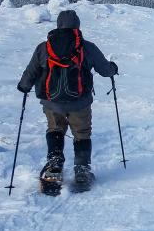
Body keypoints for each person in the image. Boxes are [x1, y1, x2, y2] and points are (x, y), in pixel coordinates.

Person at [16, 10, 118, 185]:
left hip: (52, 102)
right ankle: (82, 170)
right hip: (80, 102)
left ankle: (54, 164)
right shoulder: (87, 47)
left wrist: (24, 86)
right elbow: (105, 70)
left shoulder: (44, 47)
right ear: (77, 26)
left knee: (55, 130)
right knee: (82, 133)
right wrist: (113, 68)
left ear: (58, 25)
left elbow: (31, 71)